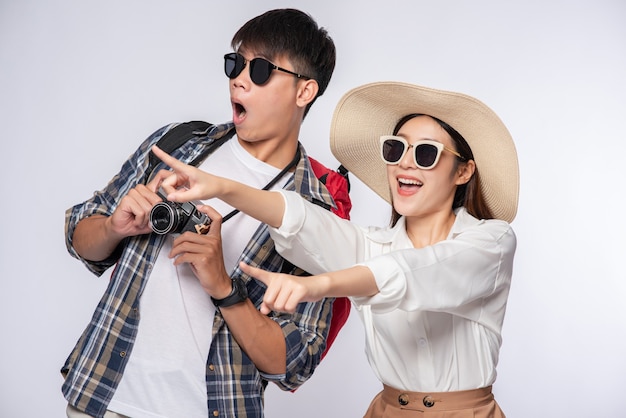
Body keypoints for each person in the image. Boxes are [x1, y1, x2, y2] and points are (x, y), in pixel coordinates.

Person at [150, 81, 520, 417]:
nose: (405, 162)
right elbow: (303, 220)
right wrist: (222, 186)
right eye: (396, 148)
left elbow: (415, 270)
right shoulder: (373, 244)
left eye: (425, 153)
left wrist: (314, 286)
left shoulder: (492, 242)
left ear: (463, 171)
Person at [61, 8, 351, 418]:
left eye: (262, 69)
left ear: (304, 92)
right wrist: (113, 227)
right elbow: (78, 236)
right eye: (236, 63)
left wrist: (222, 285)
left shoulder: (314, 211)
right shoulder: (177, 145)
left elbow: (294, 363)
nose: (239, 77)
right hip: (101, 396)